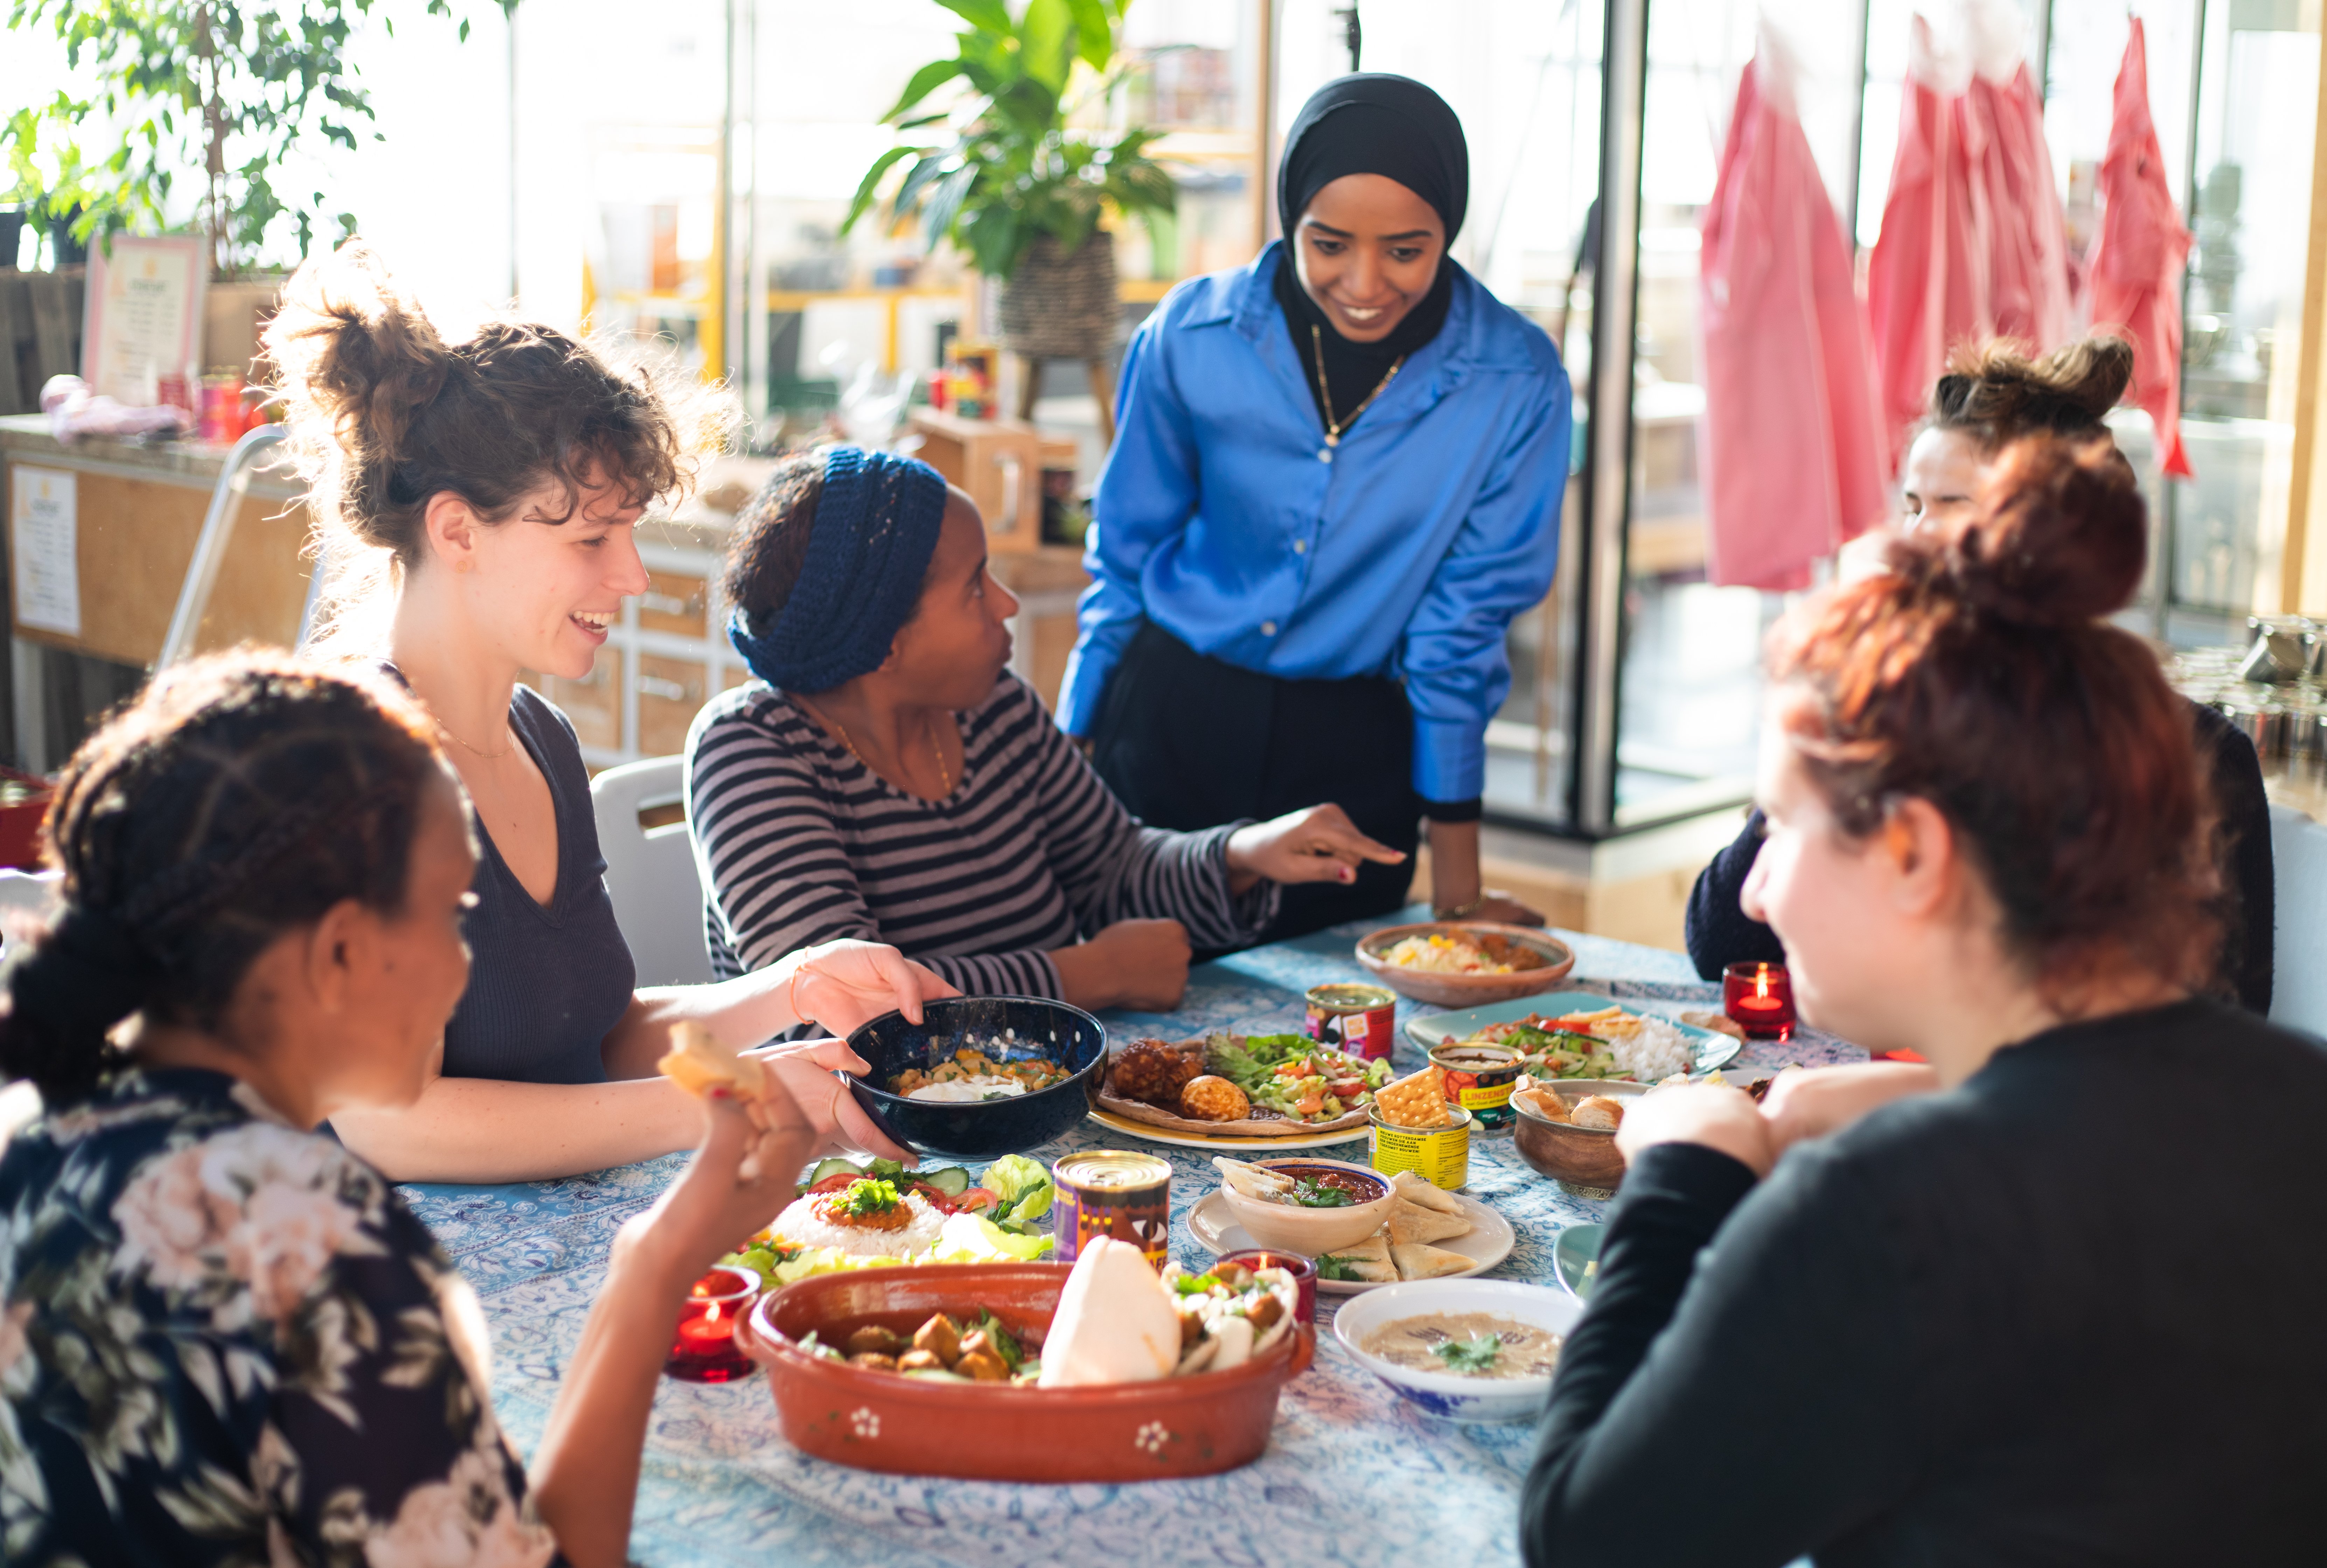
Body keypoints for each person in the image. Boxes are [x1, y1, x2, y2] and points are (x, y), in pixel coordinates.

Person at [1521, 440, 2327, 1565]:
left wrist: (1682, 1177)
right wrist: (1925, 1099)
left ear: (1912, 851)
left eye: (1781, 828)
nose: (1757, 888)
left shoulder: (1878, 1216)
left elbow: (1591, 1539)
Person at [0, 653, 826, 1567]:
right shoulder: (317, 1250)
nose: (468, 964)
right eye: (452, 914)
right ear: (339, 953)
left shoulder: (39, 1146)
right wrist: (656, 1265)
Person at [260, 242, 946, 1183]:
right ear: (456, 530)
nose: (631, 576)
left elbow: (586, 1038)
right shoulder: (349, 766)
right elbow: (394, 1122)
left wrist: (786, 988)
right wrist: (738, 1095)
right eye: (592, 538)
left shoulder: (538, 738)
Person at [1058, 73, 1574, 940]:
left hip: (1353, 749)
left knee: (1337, 1049)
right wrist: (1067, 764)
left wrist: (1457, 896)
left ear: (1449, 229)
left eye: (1407, 250)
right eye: (1328, 243)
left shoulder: (1515, 383)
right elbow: (1124, 559)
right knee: (1136, 1016)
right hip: (1173, 714)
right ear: (1289, 218)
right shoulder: (1189, 336)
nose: (1365, 282)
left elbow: (1463, 630)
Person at [687, 447, 1405, 1011]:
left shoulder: (993, 704)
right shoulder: (750, 749)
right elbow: (837, 1001)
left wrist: (1247, 853)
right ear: (882, 640)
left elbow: (1113, 870)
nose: (1006, 605)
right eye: (975, 586)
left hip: (1035, 1094)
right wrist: (1090, 973)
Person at [1684, 336, 2273, 1013]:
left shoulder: (2197, 760)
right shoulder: (1896, 716)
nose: (1913, 537)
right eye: (1912, 506)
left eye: (1951, 505)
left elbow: (2210, 1035)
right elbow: (1723, 946)